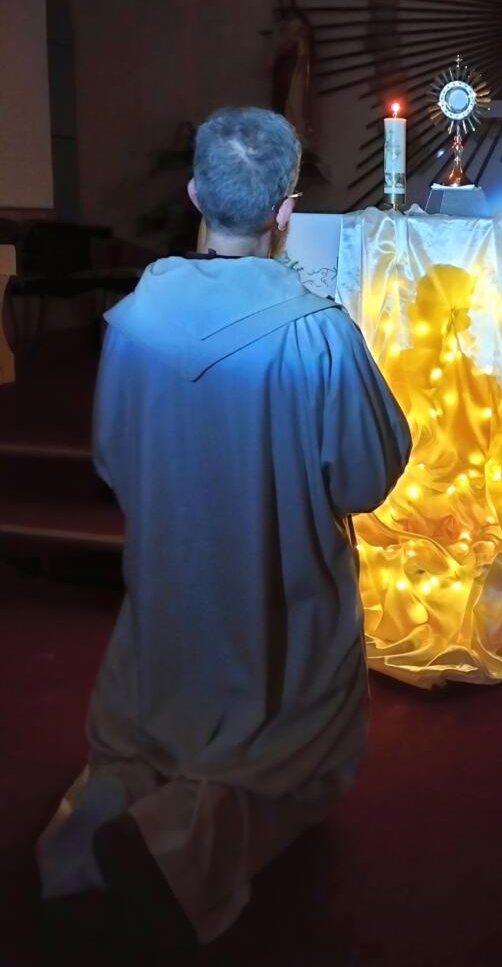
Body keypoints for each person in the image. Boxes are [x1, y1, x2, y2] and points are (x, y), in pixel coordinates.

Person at [36, 107, 411, 947]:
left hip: (169, 579)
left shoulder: (135, 318)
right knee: (278, 738)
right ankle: (180, 843)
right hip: (277, 596)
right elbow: (365, 478)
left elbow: (113, 459)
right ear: (285, 209)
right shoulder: (320, 335)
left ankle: (103, 814)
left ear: (196, 193)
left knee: (149, 728)